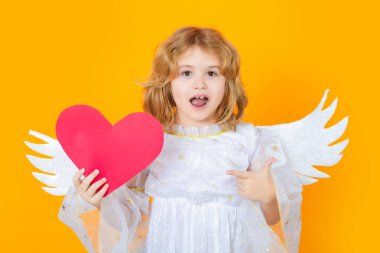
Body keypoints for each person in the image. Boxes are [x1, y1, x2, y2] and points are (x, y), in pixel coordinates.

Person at [57, 26, 346, 253]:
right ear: (167, 84)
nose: (199, 83)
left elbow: (271, 219)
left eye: (211, 73)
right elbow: (132, 221)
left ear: (227, 83)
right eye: (186, 73)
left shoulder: (247, 140)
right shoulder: (152, 143)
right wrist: (99, 200)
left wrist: (268, 194)